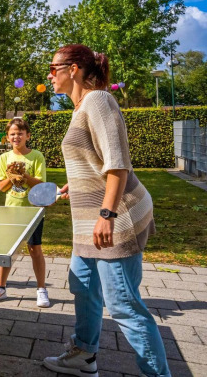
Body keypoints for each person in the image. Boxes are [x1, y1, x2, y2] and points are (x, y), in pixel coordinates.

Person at [42, 44, 170, 377]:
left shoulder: (99, 100)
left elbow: (118, 164)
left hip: (117, 217)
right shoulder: (80, 107)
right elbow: (95, 163)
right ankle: (83, 355)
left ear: (73, 69)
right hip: (88, 221)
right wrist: (79, 186)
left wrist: (106, 214)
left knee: (123, 304)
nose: (49, 75)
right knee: (83, 287)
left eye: (53, 68)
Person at [0, 118, 50, 308]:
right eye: (12, 134)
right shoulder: (4, 158)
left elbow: (41, 184)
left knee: (35, 249)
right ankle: (1, 287)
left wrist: (25, 176)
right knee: (8, 251)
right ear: (7, 137)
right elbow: (1, 187)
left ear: (27, 136)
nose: (16, 136)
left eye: (20, 133)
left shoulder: (37, 156)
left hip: (33, 210)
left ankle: (41, 289)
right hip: (11, 211)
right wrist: (12, 178)